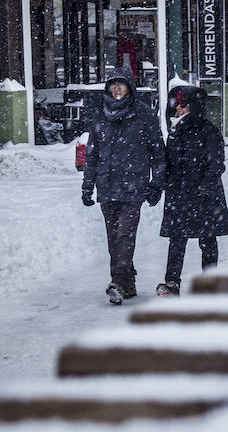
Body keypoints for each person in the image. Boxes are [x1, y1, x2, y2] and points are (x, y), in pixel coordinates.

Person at [81, 66, 166, 305]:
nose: (117, 89)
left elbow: (157, 152)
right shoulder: (100, 114)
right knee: (113, 238)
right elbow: (92, 154)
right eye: (113, 84)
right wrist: (88, 185)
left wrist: (156, 184)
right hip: (107, 185)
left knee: (125, 234)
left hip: (133, 185)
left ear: (130, 87)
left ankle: (117, 282)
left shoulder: (143, 114)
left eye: (122, 84)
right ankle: (127, 283)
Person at [156, 85, 228, 297]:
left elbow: (216, 163)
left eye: (184, 105)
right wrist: (160, 183)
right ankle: (172, 282)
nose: (179, 109)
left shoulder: (208, 131)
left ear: (194, 107)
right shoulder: (174, 131)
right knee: (177, 240)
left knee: (207, 238)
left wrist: (205, 185)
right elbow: (169, 163)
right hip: (179, 194)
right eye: (177, 105)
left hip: (203, 195)